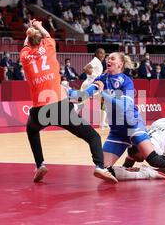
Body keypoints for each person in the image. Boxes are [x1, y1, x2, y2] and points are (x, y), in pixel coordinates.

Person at [68, 53, 165, 181]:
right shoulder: (101, 80)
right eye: (108, 58)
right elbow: (80, 97)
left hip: (132, 126)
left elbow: (124, 106)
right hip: (117, 132)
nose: (108, 60)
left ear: (120, 64)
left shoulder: (126, 81)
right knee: (103, 170)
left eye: (112, 58)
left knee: (154, 160)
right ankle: (143, 174)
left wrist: (102, 93)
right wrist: (65, 90)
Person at [19, 19, 116, 183]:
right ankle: (100, 167)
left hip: (39, 109)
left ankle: (40, 164)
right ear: (41, 40)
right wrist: (39, 26)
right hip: (60, 106)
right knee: (93, 137)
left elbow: (26, 45)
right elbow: (47, 35)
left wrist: (29, 32)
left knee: (32, 130)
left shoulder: (25, 56)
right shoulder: (49, 47)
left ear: (28, 42)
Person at [80, 48, 108, 129]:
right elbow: (85, 68)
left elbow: (93, 72)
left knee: (103, 103)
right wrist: (97, 77)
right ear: (96, 54)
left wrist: (101, 75)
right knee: (80, 103)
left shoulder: (98, 62)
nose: (103, 55)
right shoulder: (96, 61)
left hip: (90, 84)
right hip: (91, 85)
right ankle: (102, 123)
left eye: (104, 53)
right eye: (101, 53)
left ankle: (102, 123)